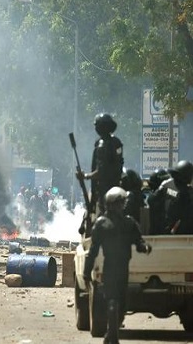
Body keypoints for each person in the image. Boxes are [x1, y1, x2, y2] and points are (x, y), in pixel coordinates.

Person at [83, 187, 152, 344]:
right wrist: (86, 272)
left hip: (123, 268)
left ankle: (110, 335)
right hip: (110, 267)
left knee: (122, 306)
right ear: (112, 205)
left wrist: (146, 247)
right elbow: (93, 251)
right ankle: (113, 339)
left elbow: (138, 242)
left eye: (123, 203)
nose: (122, 206)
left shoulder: (128, 222)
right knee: (113, 302)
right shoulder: (101, 224)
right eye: (120, 203)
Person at [77, 113, 124, 216]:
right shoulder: (117, 142)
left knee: (104, 216)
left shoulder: (102, 145)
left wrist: (85, 176)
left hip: (104, 188)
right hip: (116, 185)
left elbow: (101, 171)